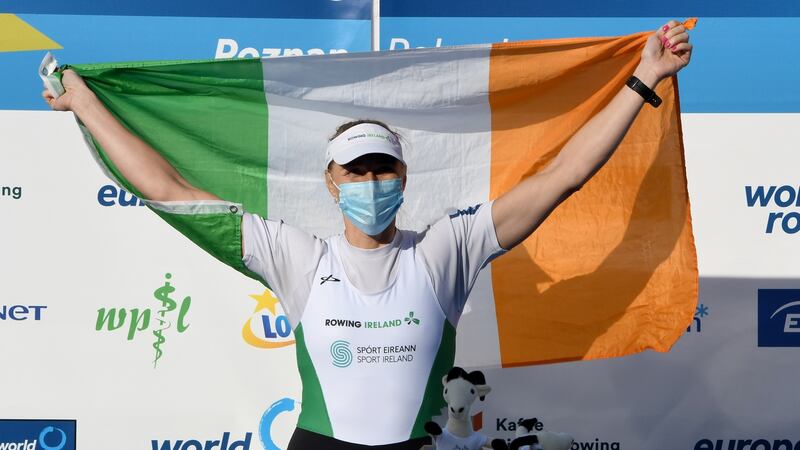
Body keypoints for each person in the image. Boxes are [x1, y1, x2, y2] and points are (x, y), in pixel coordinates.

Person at [43, 21, 692, 450]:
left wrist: (644, 77)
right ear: (332, 182)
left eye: (382, 167)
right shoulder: (296, 256)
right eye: (356, 170)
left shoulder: (446, 249)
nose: (370, 181)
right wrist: (87, 105)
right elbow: (168, 190)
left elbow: (564, 177)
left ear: (403, 177)